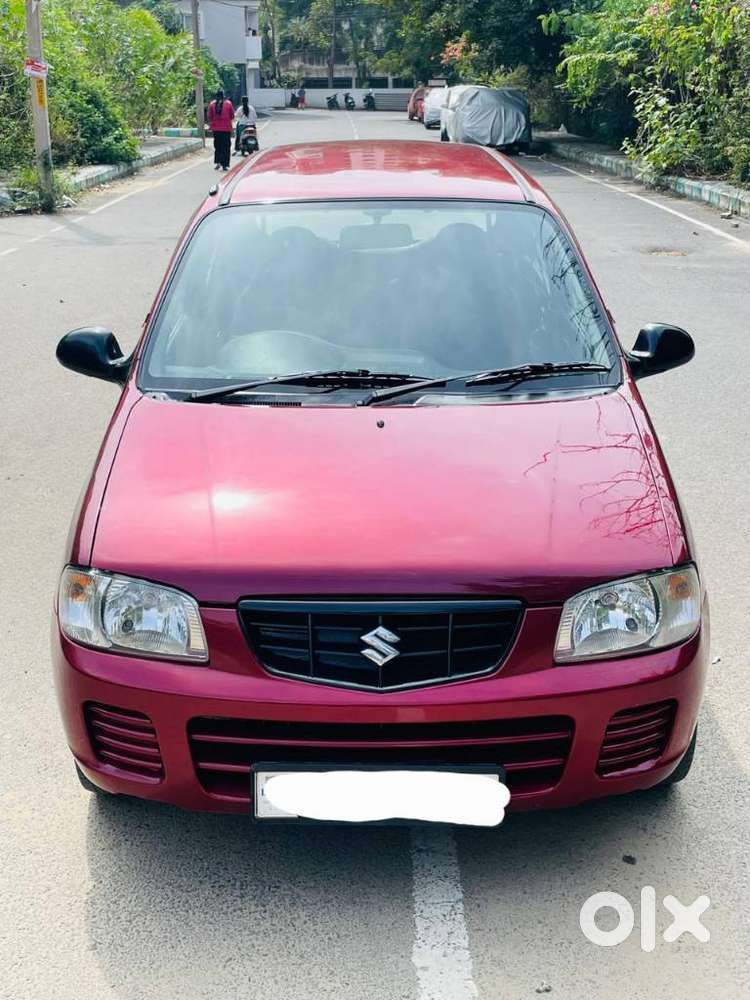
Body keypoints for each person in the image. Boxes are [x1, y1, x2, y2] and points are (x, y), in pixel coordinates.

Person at [207, 89, 234, 171]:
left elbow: (209, 116)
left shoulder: (212, 104)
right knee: (226, 147)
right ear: (223, 95)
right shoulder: (228, 104)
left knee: (217, 146)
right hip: (226, 129)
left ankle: (218, 162)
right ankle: (225, 164)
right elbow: (232, 116)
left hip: (216, 129)